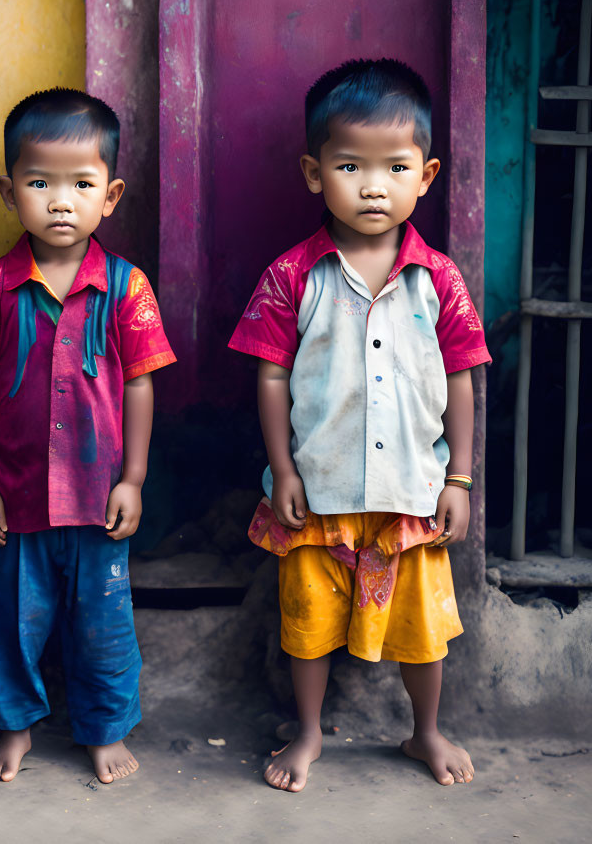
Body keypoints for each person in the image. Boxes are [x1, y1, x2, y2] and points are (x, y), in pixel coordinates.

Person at [229, 58, 490, 792]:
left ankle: (425, 731)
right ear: (314, 173)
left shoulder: (437, 278)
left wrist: (459, 477)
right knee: (306, 622)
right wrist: (282, 469)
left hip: (411, 492)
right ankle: (308, 733)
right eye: (349, 166)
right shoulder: (291, 277)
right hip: (318, 494)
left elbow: (464, 377)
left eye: (393, 167)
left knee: (422, 628)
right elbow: (270, 376)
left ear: (426, 174)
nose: (372, 185)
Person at [0, 88, 175, 784]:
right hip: (15, 497)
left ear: (108, 196)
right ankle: (13, 726)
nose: (58, 200)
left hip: (97, 495)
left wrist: (133, 478)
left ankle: (103, 729)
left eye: (80, 185)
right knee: (9, 622)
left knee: (102, 626)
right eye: (39, 182)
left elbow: (139, 382)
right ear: (8, 188)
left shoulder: (126, 286)